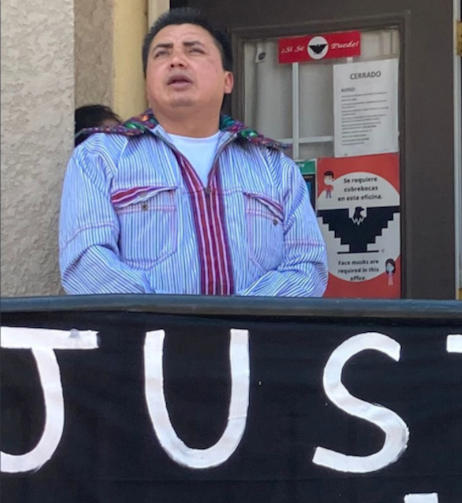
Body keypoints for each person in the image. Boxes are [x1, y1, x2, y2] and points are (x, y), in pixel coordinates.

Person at [59, 8, 327, 296]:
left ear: (227, 81)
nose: (176, 60)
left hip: (254, 339)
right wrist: (175, 326)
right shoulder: (100, 157)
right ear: (147, 80)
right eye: (162, 54)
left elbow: (308, 268)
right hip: (145, 339)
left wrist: (239, 323)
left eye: (194, 50)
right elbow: (85, 263)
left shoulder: (274, 167)